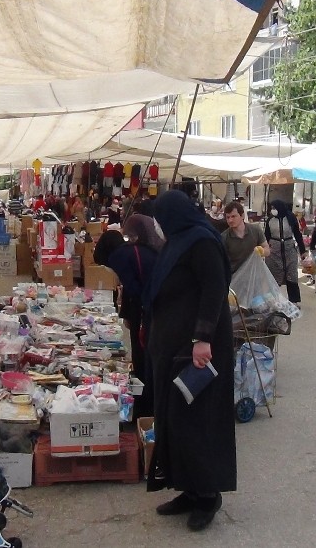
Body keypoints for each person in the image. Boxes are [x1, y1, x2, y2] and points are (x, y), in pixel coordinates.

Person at [144, 190, 236, 532]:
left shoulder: (202, 241)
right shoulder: (179, 240)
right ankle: (187, 488)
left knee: (199, 421)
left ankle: (208, 496)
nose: (156, 224)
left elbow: (214, 290)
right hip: (172, 347)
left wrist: (202, 339)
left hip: (198, 350)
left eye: (159, 217)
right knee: (175, 419)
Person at [93, 215, 163, 420]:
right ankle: (146, 403)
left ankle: (145, 407)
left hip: (149, 308)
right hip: (153, 305)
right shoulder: (134, 250)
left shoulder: (119, 257)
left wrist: (132, 313)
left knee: (144, 356)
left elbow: (134, 289)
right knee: (145, 355)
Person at [264, 200, 307, 305]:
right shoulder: (270, 220)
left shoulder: (290, 218)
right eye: (272, 208)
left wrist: (302, 251)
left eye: (274, 208)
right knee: (274, 275)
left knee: (291, 275)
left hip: (289, 249)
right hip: (274, 251)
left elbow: (297, 234)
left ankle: (294, 300)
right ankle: (274, 300)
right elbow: (266, 236)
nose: (273, 210)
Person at [221, 201, 269, 273]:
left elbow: (267, 250)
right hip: (235, 278)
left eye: (233, 216)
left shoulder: (256, 230)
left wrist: (262, 251)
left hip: (255, 275)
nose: (230, 220)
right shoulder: (224, 237)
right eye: (228, 217)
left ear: (242, 216)